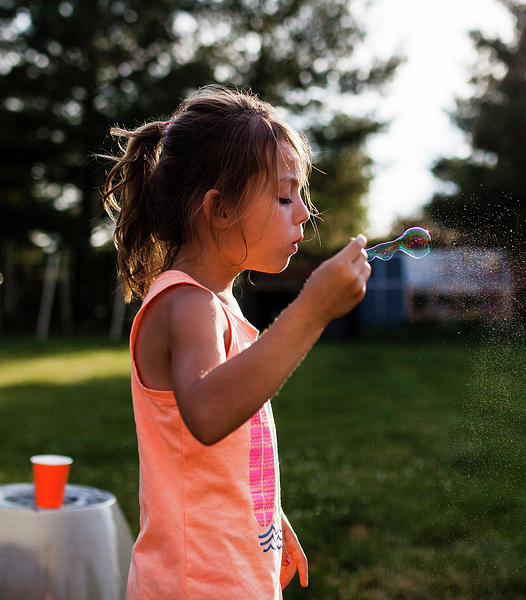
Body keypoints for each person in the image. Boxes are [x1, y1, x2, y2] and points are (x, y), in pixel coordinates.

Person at [102, 85, 371, 599]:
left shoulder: (214, 305)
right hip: (194, 585)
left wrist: (267, 517)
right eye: (284, 195)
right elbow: (206, 414)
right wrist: (312, 310)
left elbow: (228, 451)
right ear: (220, 210)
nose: (304, 213)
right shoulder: (188, 306)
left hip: (228, 571)